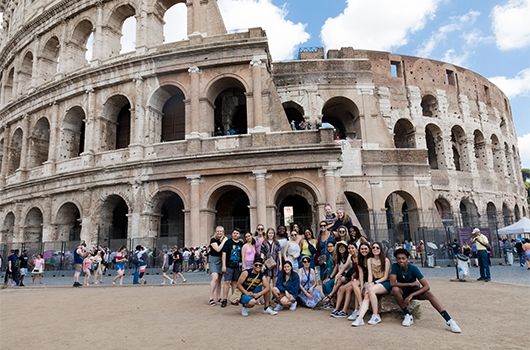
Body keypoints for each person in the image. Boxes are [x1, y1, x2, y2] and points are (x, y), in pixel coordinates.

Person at [390, 248, 462, 333]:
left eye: (403, 258)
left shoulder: (413, 268)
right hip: (403, 291)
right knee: (395, 290)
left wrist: (411, 295)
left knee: (429, 294)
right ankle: (407, 314)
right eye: (398, 258)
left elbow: (426, 286)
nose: (401, 260)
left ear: (407, 259)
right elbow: (392, 283)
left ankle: (449, 320)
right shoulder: (395, 266)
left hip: (414, 292)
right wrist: (410, 284)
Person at [352, 242, 391, 326]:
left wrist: (374, 283)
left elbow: (385, 277)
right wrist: (370, 284)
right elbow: (370, 274)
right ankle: (360, 318)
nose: (375, 249)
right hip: (374, 281)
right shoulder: (370, 260)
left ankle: (375, 315)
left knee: (370, 291)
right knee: (367, 293)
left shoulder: (386, 260)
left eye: (377, 247)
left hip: (385, 282)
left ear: (381, 249)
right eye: (373, 247)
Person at [330, 243, 363, 318]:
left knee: (347, 288)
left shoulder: (358, 257)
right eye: (349, 248)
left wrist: (361, 282)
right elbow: (353, 269)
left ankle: (354, 309)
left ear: (356, 248)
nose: (351, 250)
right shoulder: (352, 257)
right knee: (343, 288)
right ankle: (340, 310)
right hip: (355, 277)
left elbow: (361, 271)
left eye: (352, 248)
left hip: (360, 278)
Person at [221, 228, 243, 308]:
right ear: (232, 234)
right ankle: (224, 299)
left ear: (239, 235)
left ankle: (234, 299)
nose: (235, 234)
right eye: (234, 233)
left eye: (237, 233)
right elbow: (224, 253)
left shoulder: (241, 243)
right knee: (227, 282)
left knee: (235, 282)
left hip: (237, 266)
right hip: (229, 265)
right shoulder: (228, 242)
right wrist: (223, 265)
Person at [208, 226, 227, 305]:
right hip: (213, 260)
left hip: (221, 260)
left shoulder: (223, 239)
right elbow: (218, 249)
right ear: (215, 232)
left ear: (223, 232)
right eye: (218, 231)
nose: (219, 233)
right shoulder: (213, 239)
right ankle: (211, 297)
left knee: (219, 280)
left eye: (221, 231)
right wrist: (224, 241)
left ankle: (218, 297)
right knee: (215, 278)